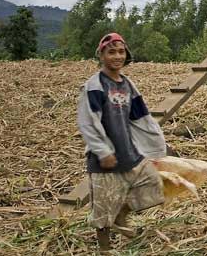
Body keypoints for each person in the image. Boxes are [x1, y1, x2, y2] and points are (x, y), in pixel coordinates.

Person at [77, 33, 167, 251]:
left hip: (129, 154)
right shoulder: (95, 86)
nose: (117, 56)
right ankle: (104, 250)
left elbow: (141, 118)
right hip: (105, 159)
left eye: (121, 52)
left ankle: (121, 215)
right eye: (111, 52)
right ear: (101, 55)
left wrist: (158, 146)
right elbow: (87, 121)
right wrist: (102, 151)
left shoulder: (127, 85)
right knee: (102, 212)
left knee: (154, 187)